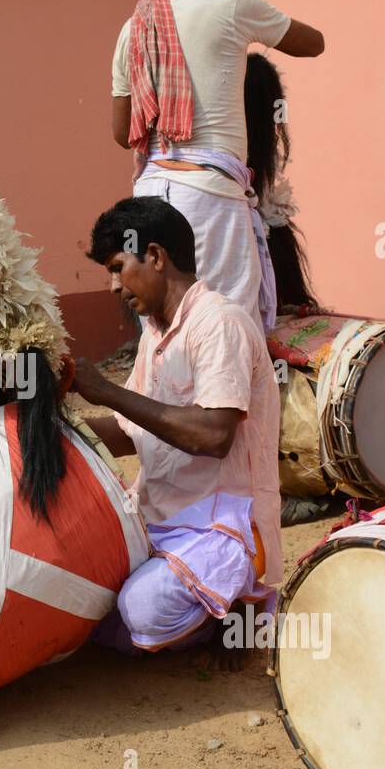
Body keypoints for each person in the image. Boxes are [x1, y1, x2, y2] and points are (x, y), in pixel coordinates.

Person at [75, 196, 282, 668]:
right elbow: (132, 432)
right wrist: (59, 424)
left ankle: (237, 608)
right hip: (158, 519)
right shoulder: (154, 332)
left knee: (141, 612)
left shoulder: (219, 323)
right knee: (82, 604)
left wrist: (105, 391)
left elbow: (213, 436)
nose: (112, 286)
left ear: (155, 256)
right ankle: (204, 604)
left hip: (222, 525)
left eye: (116, 267)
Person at [110, 0, 324, 329]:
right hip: (208, 196)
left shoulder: (133, 29)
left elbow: (123, 133)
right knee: (227, 329)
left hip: (148, 198)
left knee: (162, 336)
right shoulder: (233, 6)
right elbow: (314, 44)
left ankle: (161, 393)